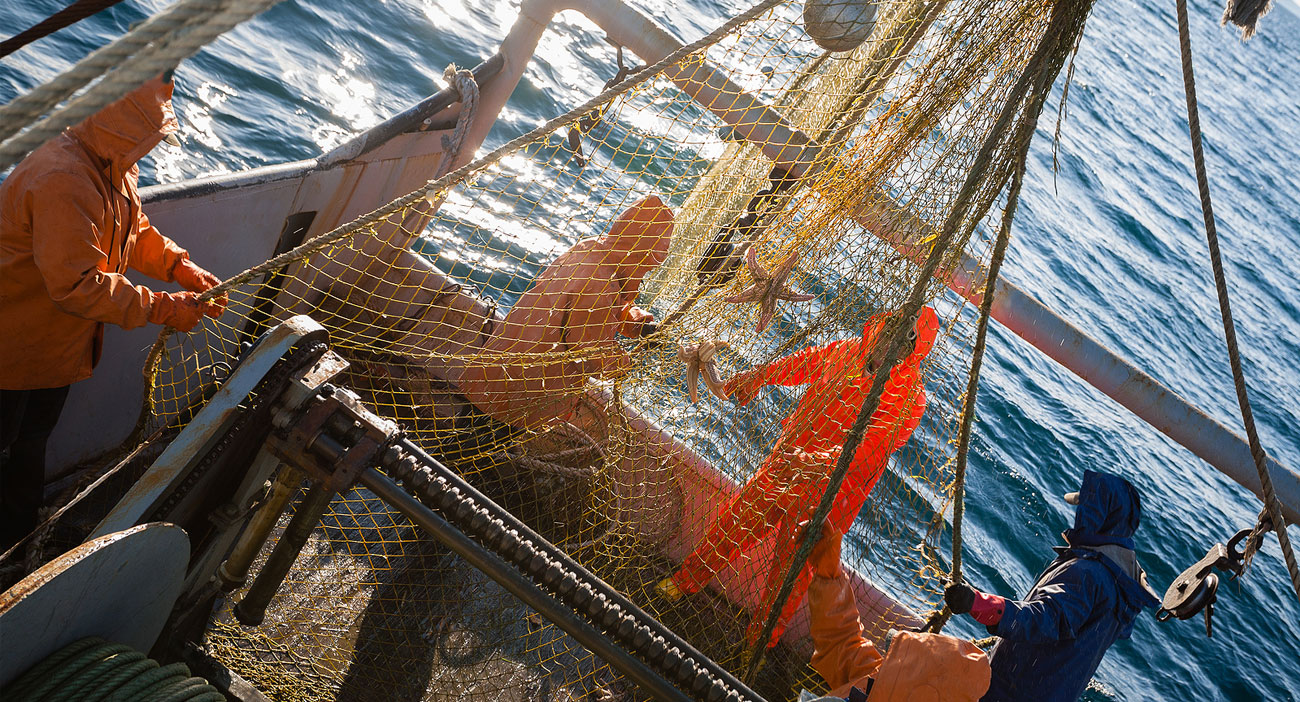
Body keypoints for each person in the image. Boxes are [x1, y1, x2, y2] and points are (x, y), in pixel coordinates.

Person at [0, 73, 223, 554]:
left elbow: (131, 227)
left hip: (48, 351)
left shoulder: (110, 163)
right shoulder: (62, 177)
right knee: (6, 447)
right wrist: (165, 308)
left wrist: (178, 266)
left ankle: (13, 545)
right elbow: (77, 284)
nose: (151, 150)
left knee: (29, 445)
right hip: (8, 348)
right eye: (146, 137)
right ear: (121, 127)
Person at [657, 305, 939, 647]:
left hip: (827, 502)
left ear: (914, 352)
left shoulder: (910, 399)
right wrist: (758, 376)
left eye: (902, 342)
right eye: (890, 331)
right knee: (731, 525)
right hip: (785, 465)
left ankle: (755, 645)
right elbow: (803, 363)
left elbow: (870, 449)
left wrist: (818, 461)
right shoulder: (850, 349)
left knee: (786, 582)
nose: (889, 343)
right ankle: (681, 583)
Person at [449, 195, 674, 462]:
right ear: (641, 252)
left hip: (497, 367)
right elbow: (587, 350)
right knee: (472, 454)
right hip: (521, 391)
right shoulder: (603, 284)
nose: (649, 268)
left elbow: (588, 313)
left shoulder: (591, 251)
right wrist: (625, 363)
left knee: (468, 435)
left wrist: (636, 324)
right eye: (650, 260)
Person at [944, 469, 1160, 702]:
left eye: (1085, 509)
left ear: (1098, 515)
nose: (1079, 515)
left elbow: (1044, 619)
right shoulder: (1120, 583)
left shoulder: (1088, 574)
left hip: (1011, 693)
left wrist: (978, 603)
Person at [802, 521, 991, 701]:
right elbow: (842, 646)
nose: (890, 662)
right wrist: (827, 567)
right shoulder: (879, 682)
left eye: (907, 665)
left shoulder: (887, 683)